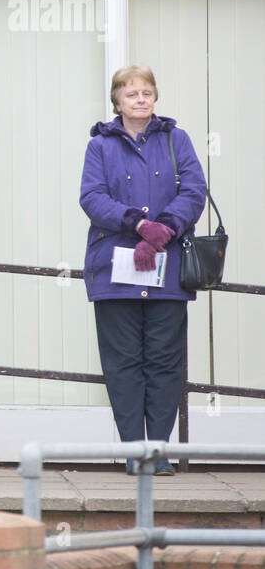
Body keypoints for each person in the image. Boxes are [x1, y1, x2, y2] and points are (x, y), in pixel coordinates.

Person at [79, 65, 206, 476]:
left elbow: (194, 189)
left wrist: (164, 228)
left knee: (165, 363)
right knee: (123, 363)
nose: (140, 99)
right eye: (131, 93)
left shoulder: (176, 139)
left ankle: (158, 451)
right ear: (116, 100)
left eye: (147, 92)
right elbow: (92, 197)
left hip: (167, 272)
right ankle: (135, 452)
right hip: (114, 271)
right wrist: (138, 224)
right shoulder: (100, 146)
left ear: (155, 98)